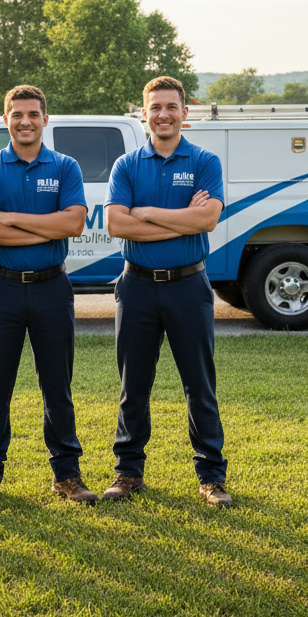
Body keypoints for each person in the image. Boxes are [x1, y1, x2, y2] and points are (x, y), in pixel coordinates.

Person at [0, 84, 97, 507]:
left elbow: (73, 224)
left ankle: (67, 475)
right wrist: (44, 227)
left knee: (57, 386)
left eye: (33, 114)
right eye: (17, 114)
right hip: (0, 288)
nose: (25, 122)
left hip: (52, 288)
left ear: (45, 119)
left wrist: (10, 219)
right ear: (6, 119)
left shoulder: (65, 166)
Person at [102, 76, 232, 507]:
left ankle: (211, 477)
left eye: (171, 107)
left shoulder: (204, 161)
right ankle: (128, 472)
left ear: (184, 112)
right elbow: (116, 224)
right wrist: (180, 219)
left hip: (188, 286)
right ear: (144, 113)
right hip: (136, 286)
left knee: (200, 385)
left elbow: (207, 220)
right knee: (133, 385)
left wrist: (146, 213)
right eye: (155, 107)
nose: (163, 114)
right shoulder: (126, 165)